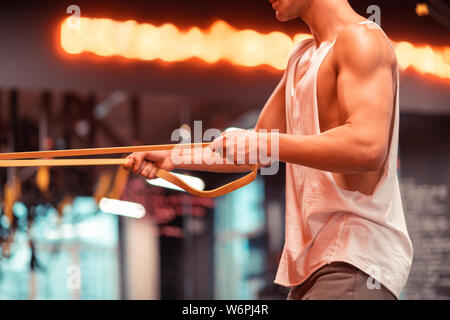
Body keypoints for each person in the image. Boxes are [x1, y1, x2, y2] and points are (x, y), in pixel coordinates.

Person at [124, 0, 413, 300]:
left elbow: (367, 147)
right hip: (317, 266)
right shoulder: (302, 57)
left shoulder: (361, 39)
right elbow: (256, 147)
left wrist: (264, 143)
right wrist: (174, 157)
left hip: (356, 258)